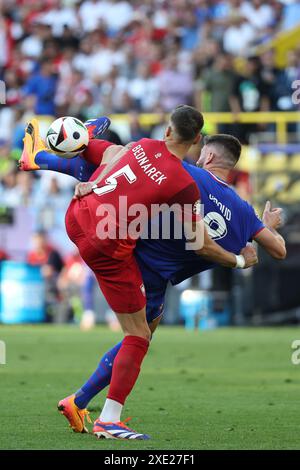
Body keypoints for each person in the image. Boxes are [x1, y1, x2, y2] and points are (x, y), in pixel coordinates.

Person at [20, 111, 260, 440]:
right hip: (113, 250)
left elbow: (108, 156)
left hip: (78, 217)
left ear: (166, 129)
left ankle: (44, 155)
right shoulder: (185, 184)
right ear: (197, 142)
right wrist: (239, 261)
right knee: (139, 337)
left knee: (105, 150)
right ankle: (108, 419)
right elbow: (201, 243)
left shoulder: (142, 145)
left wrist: (95, 181)